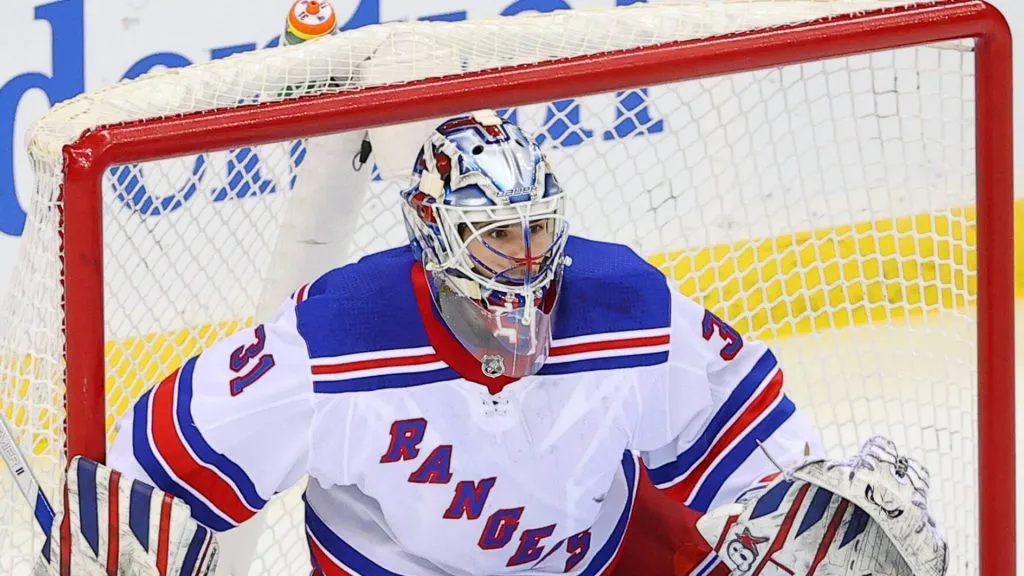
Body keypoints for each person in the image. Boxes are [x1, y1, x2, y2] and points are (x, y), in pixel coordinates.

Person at [35, 111, 947, 576]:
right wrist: (117, 534)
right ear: (435, 233)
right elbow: (162, 456)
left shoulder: (626, 303)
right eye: (496, 237)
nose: (528, 258)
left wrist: (804, 507)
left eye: (538, 230)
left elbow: (751, 439)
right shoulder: (335, 345)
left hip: (603, 551)